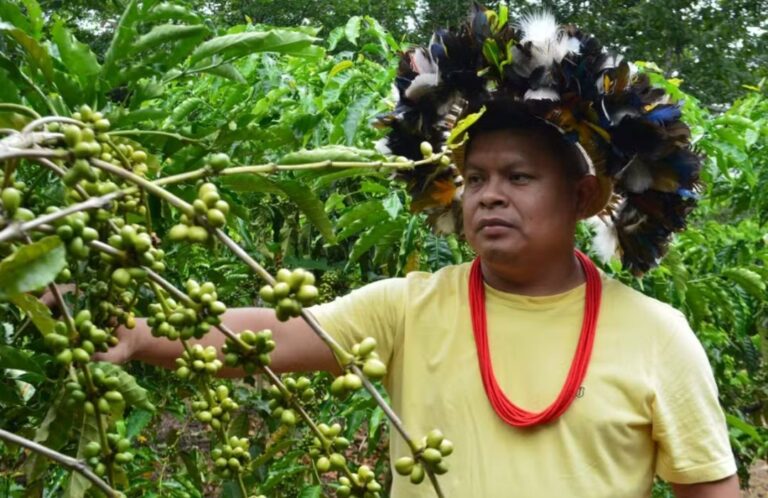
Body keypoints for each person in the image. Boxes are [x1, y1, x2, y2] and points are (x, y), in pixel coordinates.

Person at [96, 7, 739, 498]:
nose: (488, 197)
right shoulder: (409, 309)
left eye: (517, 178)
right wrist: (137, 332)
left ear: (585, 196)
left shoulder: (657, 336)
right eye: (476, 179)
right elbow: (267, 335)